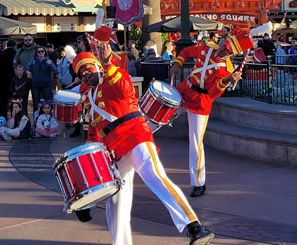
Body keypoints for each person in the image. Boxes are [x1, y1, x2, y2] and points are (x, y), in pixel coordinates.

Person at [73, 47, 214, 245]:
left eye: (87, 69)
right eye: (81, 75)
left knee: (156, 177)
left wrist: (107, 64)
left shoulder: (114, 77)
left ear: (97, 66)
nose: (85, 75)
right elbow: (94, 136)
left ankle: (194, 227)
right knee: (116, 201)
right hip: (115, 151)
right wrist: (87, 194)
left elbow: (125, 88)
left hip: (135, 136)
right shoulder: (90, 100)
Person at [169, 32, 248, 198]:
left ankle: (199, 183)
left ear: (231, 54)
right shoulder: (206, 49)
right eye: (224, 44)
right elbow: (186, 52)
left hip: (201, 101)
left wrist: (226, 80)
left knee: (195, 142)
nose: (222, 47)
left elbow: (213, 92)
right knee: (159, 112)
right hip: (184, 90)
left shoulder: (226, 69)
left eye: (226, 48)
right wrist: (178, 63)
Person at [0, 40, 16, 118]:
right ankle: (14, 118)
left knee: (2, 102)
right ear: (15, 46)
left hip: (2, 81)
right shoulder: (16, 54)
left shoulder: (0, 54)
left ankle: (2, 118)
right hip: (13, 81)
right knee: (14, 101)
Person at [26, 46, 57, 111]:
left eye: (42, 51)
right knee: (35, 104)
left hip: (46, 85)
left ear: (45, 52)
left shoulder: (49, 61)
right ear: (36, 53)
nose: (40, 53)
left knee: (48, 103)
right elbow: (28, 67)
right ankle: (36, 119)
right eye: (39, 51)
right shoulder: (33, 60)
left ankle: (48, 118)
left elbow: (56, 71)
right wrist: (28, 71)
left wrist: (50, 64)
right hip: (36, 85)